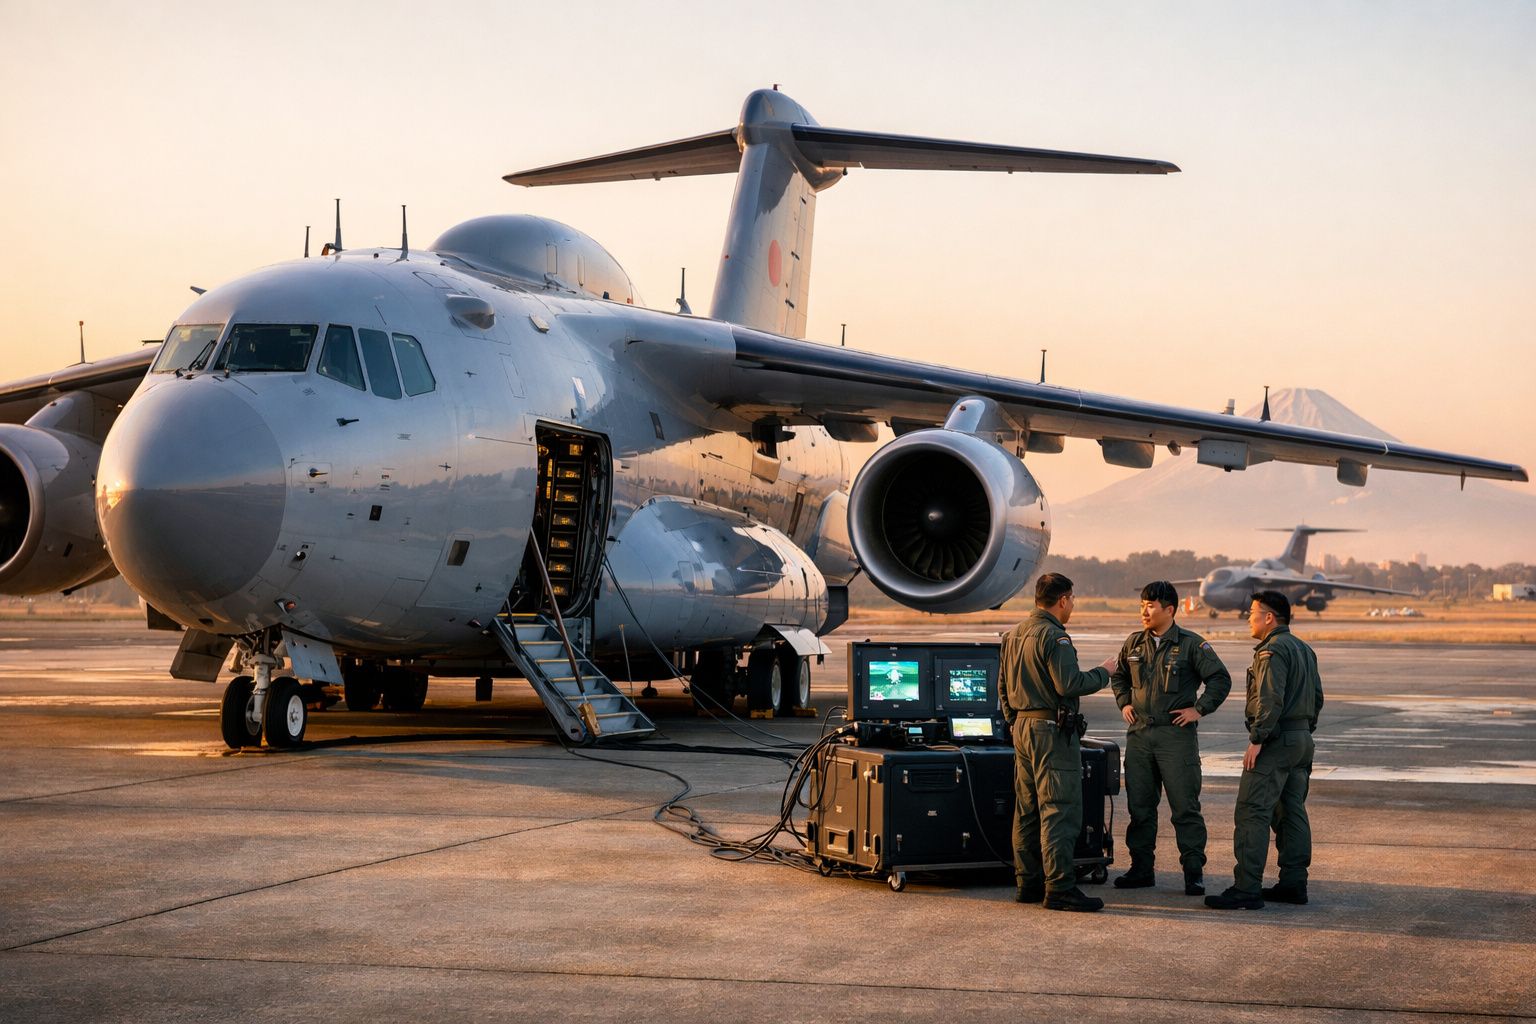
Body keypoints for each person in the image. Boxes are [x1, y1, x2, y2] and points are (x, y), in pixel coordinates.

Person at [999, 572, 1118, 912]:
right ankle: (1060, 888)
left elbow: (1003, 687)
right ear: (1063, 600)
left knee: (1026, 810)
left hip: (1022, 728)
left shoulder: (1013, 635)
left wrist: (1014, 721)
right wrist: (1104, 672)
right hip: (1051, 732)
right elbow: (1068, 684)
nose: (1072, 606)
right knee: (1059, 808)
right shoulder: (1055, 638)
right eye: (1072, 600)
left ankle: (1028, 884)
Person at [1110, 581, 1231, 896]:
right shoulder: (1134, 643)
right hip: (1139, 735)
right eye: (1142, 605)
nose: (1144, 611)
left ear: (1170, 610)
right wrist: (1124, 701)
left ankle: (1193, 873)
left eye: (1151, 606)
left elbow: (1219, 679)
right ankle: (1141, 869)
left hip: (1175, 737)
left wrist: (1199, 709)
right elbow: (1120, 675)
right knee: (1140, 807)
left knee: (1185, 808)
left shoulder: (1192, 645)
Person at [1206, 590, 1324, 910]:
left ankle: (1246, 887)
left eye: (1253, 612)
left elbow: (1271, 699)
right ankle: (1293, 884)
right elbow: (1317, 697)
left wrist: (1258, 738)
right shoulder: (1304, 648)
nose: (1249, 618)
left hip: (1276, 741)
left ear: (1269, 617)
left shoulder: (1271, 651)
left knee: (1252, 811)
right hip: (1301, 741)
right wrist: (1301, 733)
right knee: (1291, 811)